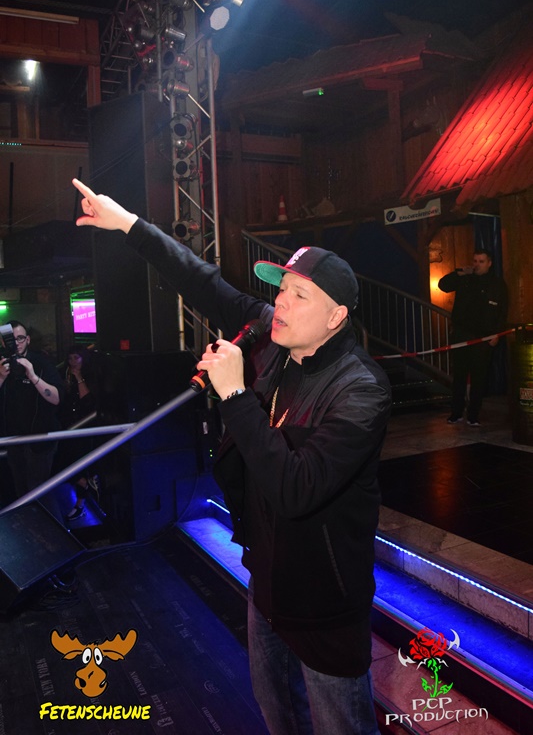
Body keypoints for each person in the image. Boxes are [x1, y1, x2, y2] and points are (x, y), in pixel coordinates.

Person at [72, 177, 391, 735]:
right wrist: (128, 224)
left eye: (300, 295)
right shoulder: (273, 335)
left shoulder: (361, 389)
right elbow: (202, 282)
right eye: (282, 288)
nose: (280, 302)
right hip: (266, 581)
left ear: (336, 317)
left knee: (340, 724)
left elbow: (296, 489)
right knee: (277, 713)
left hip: (325, 601)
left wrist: (236, 394)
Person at [0, 320, 63, 519]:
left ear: (27, 339)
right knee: (20, 490)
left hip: (39, 440)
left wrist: (33, 376)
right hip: (13, 440)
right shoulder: (1, 364)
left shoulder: (41, 362)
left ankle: (52, 530)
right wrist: (1, 377)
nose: (16, 343)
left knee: (39, 490)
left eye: (20, 338)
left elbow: (56, 398)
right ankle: (30, 527)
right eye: (11, 340)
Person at [438, 249, 508, 426]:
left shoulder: (497, 284)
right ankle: (456, 412)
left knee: (479, 377)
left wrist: (497, 334)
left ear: (489, 263)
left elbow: (502, 312)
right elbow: (443, 285)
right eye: (475, 261)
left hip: (484, 337)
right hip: (461, 334)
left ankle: (473, 415)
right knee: (459, 375)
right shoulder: (465, 279)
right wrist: (459, 273)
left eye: (481, 261)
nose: (477, 264)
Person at [58, 346, 100, 522]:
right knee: (65, 462)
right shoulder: (65, 374)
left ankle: (80, 503)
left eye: (76, 358)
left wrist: (78, 377)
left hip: (85, 426)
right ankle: (84, 482)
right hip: (69, 425)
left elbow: (88, 401)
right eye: (70, 358)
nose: (73, 362)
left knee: (80, 463)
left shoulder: (90, 375)